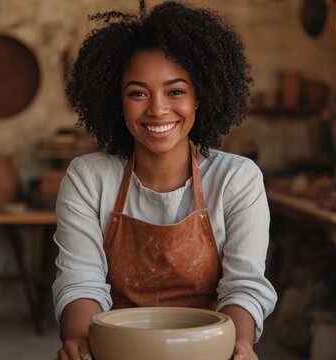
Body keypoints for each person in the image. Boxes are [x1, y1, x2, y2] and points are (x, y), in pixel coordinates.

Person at [52, 2, 277, 359]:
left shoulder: (237, 180)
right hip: (114, 349)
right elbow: (81, 281)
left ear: (200, 96)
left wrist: (239, 344)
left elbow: (244, 287)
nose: (157, 109)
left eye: (175, 91)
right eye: (138, 93)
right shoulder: (88, 179)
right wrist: (80, 339)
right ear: (118, 102)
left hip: (207, 351)